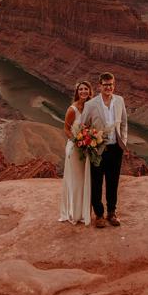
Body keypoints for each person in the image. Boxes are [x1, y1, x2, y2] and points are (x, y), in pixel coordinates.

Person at [80, 72, 127, 228]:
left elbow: (124, 123)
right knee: (97, 183)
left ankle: (112, 213)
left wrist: (123, 142)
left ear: (114, 85)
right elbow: (83, 126)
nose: (109, 87)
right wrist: (90, 143)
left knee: (113, 182)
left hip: (115, 149)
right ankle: (99, 215)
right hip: (98, 150)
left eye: (111, 84)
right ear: (100, 86)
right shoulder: (91, 104)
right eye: (106, 85)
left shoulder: (120, 101)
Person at [58, 80, 93, 225]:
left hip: (87, 148)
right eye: (80, 90)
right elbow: (66, 128)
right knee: (76, 180)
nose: (83, 91)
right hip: (74, 147)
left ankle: (84, 212)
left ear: (90, 91)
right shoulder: (72, 109)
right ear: (77, 92)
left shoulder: (91, 107)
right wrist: (77, 141)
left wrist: (89, 140)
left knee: (85, 180)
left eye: (86, 89)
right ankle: (74, 213)